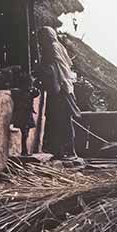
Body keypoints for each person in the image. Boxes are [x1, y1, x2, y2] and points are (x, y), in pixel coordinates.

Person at [36, 26, 81, 160]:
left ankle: (64, 150)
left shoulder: (51, 48)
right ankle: (67, 150)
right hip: (65, 87)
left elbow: (51, 68)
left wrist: (39, 73)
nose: (39, 41)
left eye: (41, 38)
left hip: (60, 89)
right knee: (65, 121)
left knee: (60, 121)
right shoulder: (59, 46)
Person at [10, 73, 40, 156]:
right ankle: (24, 151)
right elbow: (36, 92)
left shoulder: (24, 92)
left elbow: (37, 92)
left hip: (26, 114)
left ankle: (25, 150)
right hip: (23, 115)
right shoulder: (23, 93)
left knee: (25, 133)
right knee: (25, 133)